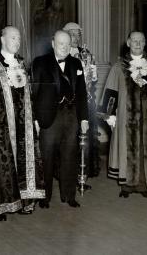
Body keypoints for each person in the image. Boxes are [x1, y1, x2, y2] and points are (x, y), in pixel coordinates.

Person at [0, 26, 45, 221]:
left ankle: (25, 202)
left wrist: (36, 119)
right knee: (2, 165)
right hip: (2, 125)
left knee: (26, 163)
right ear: (2, 39)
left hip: (25, 125)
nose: (17, 41)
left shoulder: (22, 64)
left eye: (19, 38)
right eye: (13, 37)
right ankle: (2, 205)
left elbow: (30, 95)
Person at [99, 31, 147, 198]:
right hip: (126, 118)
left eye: (141, 41)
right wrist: (110, 115)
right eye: (134, 40)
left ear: (145, 43)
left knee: (145, 148)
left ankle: (143, 185)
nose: (137, 43)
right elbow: (111, 90)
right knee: (126, 148)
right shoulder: (119, 66)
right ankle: (126, 186)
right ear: (128, 43)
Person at [32, 30, 89, 208]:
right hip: (49, 117)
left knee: (69, 157)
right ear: (52, 43)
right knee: (46, 158)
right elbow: (33, 94)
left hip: (71, 116)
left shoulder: (76, 63)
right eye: (60, 43)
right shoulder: (40, 63)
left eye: (67, 43)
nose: (64, 47)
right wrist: (35, 120)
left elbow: (81, 93)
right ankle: (44, 197)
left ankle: (69, 195)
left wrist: (84, 119)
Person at [63, 22, 100, 179]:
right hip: (69, 104)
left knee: (87, 135)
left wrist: (94, 76)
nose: (75, 37)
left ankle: (85, 172)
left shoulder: (86, 54)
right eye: (72, 34)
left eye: (78, 34)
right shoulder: (62, 54)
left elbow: (91, 82)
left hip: (86, 102)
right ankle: (69, 174)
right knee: (70, 138)